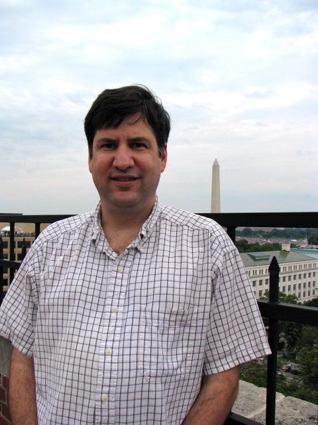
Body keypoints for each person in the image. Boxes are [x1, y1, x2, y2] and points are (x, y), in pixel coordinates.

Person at [0, 85, 271, 425]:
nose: (122, 160)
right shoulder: (49, 246)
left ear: (162, 157)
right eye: (108, 145)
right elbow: (22, 358)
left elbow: (224, 375)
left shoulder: (210, 247)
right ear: (90, 158)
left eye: (138, 144)